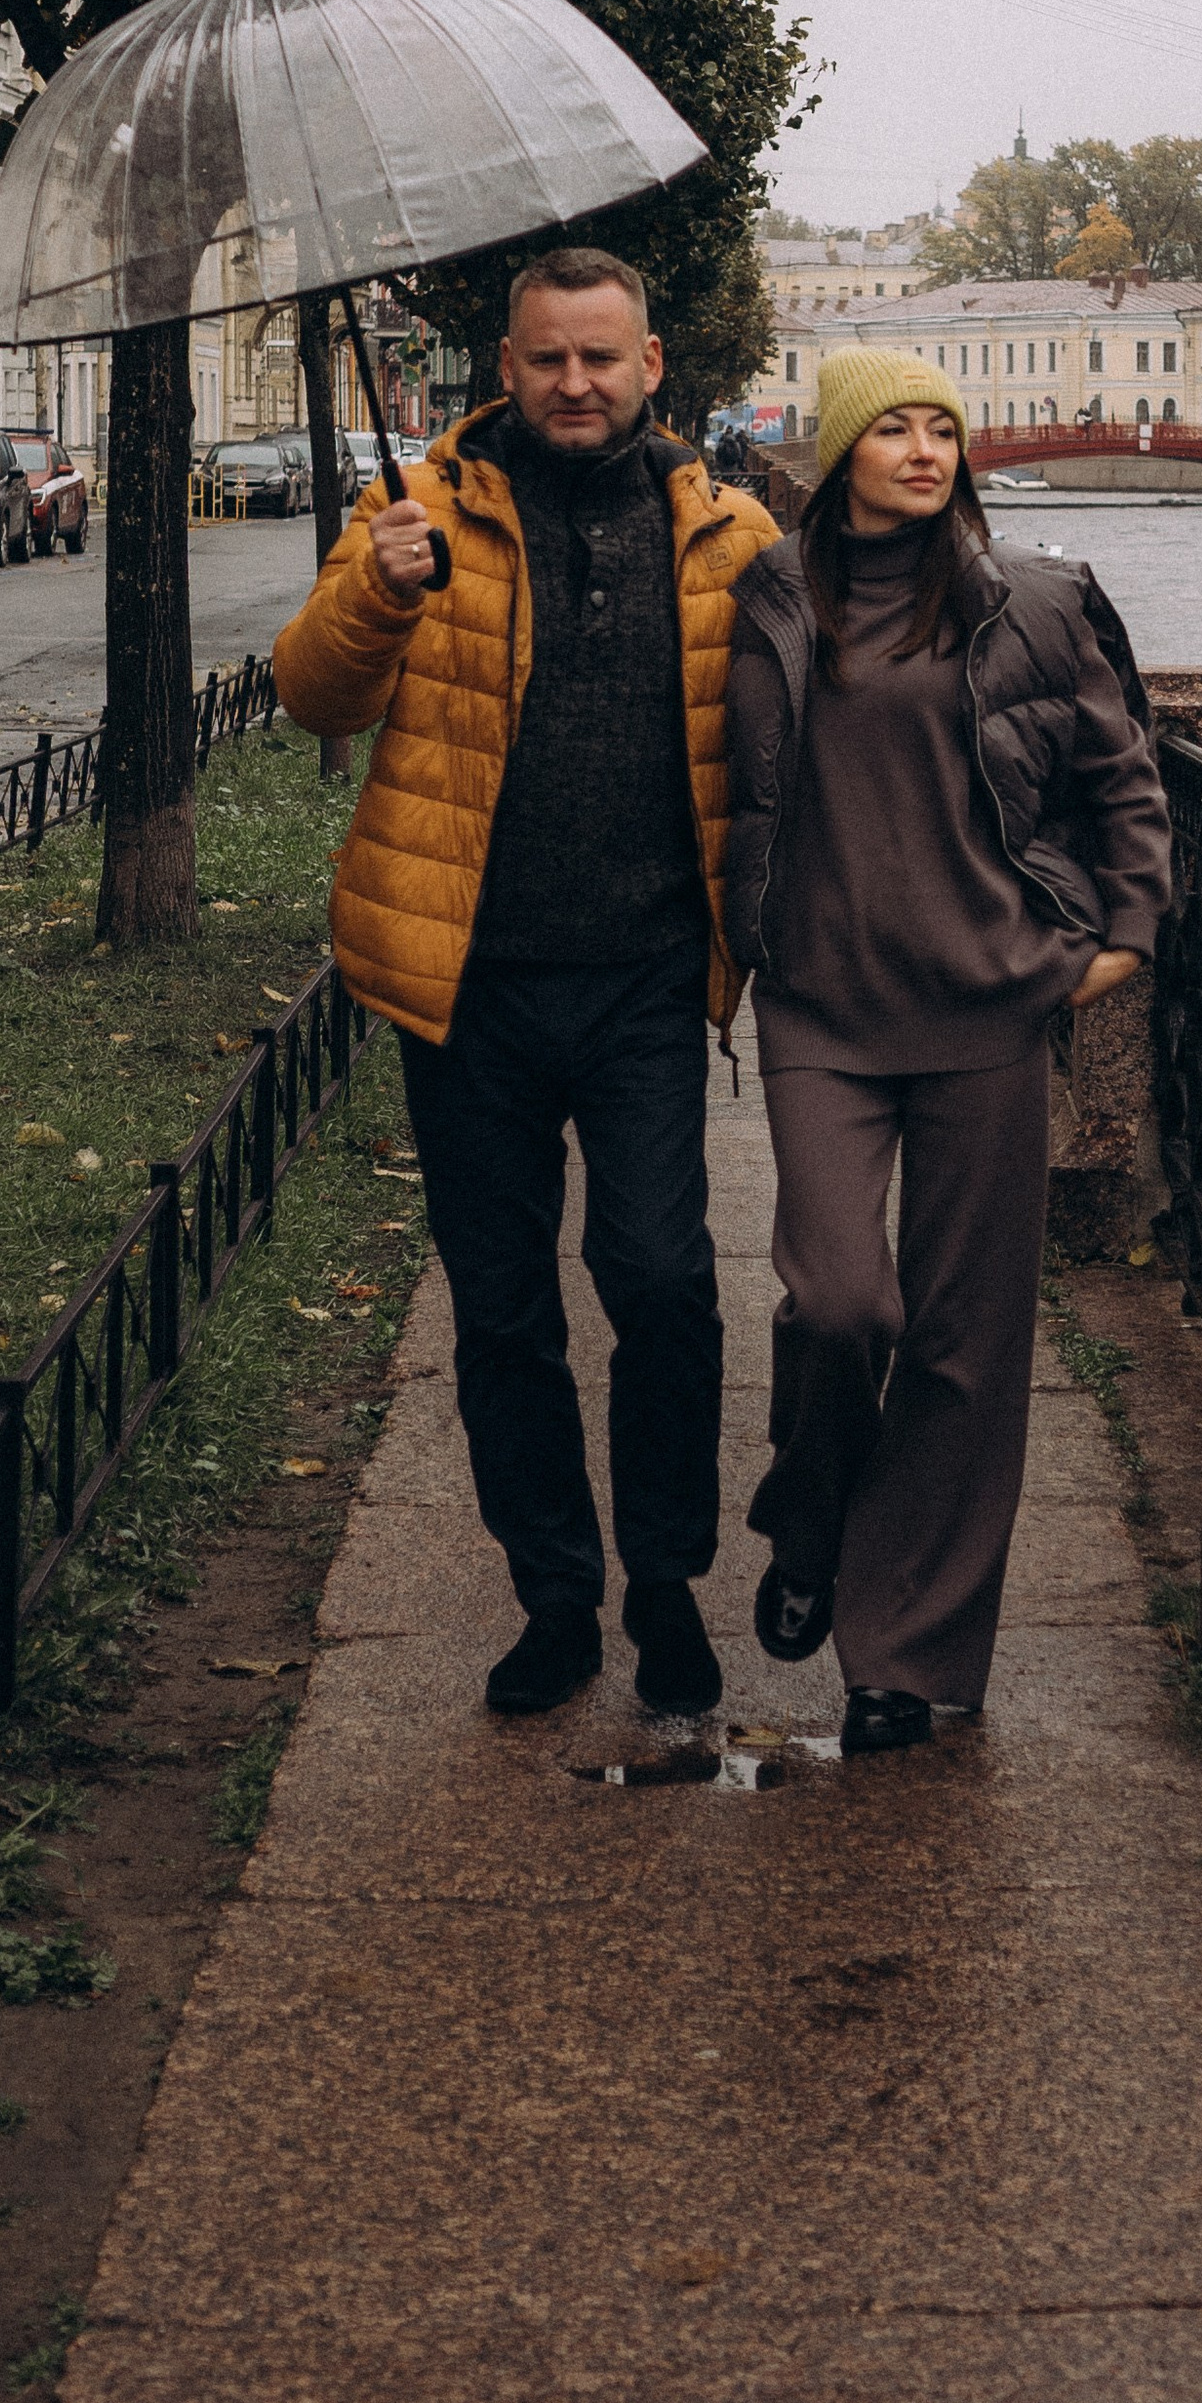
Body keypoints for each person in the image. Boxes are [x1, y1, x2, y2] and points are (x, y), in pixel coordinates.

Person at [273, 247, 777, 1720]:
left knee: (665, 1279)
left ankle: (668, 1584)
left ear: (651, 364)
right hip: (469, 981)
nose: (574, 384)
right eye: (548, 359)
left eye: (600, 359)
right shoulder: (415, 512)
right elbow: (316, 695)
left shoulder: (728, 532)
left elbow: (827, 710)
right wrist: (375, 591)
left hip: (640, 982)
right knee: (502, 1311)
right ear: (507, 368)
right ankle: (555, 1595)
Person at [723, 349, 1171, 1755]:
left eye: (942, 432)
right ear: (841, 449)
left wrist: (1126, 941)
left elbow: (1126, 782)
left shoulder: (1034, 600)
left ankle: (902, 1652)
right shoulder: (774, 596)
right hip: (822, 1013)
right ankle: (810, 1522)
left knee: (969, 1348)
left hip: (988, 1007)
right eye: (894, 430)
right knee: (845, 1305)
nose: (924, 452)